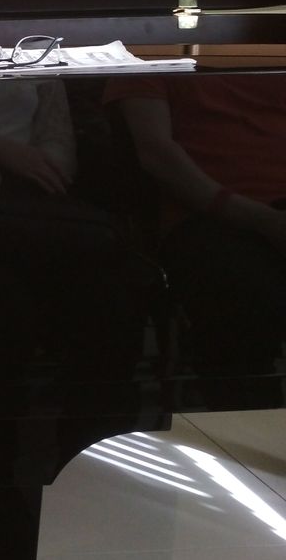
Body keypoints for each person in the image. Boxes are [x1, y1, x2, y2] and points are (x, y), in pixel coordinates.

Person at [105, 74, 286, 387]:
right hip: (207, 216)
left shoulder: (268, 49)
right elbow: (157, 153)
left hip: (260, 213)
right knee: (243, 298)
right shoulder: (147, 57)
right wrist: (263, 219)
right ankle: (243, 408)